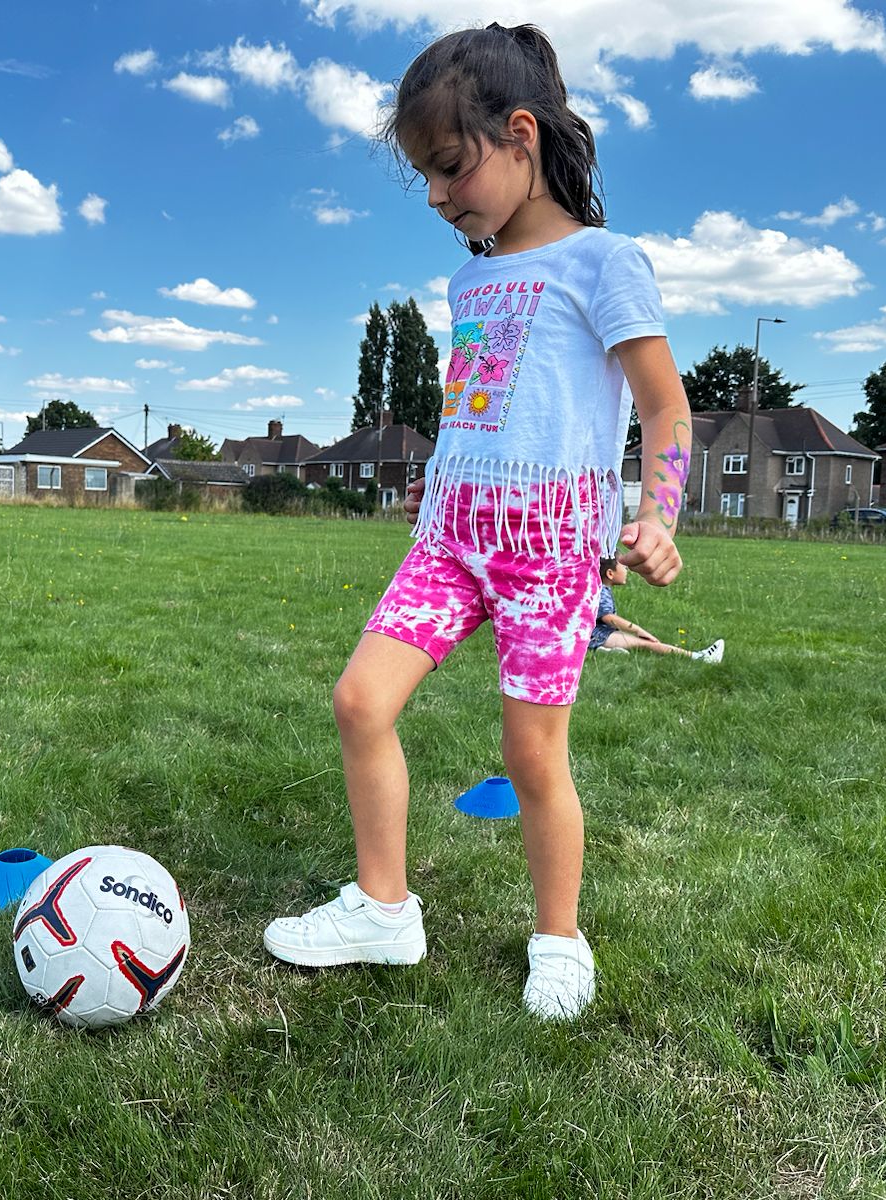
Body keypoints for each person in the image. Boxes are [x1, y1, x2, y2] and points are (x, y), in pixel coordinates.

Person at [262, 23, 692, 1020]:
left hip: (548, 554)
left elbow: (666, 407)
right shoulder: (469, 279)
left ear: (521, 136)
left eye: (449, 166)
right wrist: (444, 477)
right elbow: (486, 403)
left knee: (532, 758)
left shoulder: (605, 263)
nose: (436, 194)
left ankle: (558, 936)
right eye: (424, 174)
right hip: (451, 540)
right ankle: (382, 908)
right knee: (360, 702)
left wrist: (657, 514)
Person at [590, 558, 723, 662]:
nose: (627, 570)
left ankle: (604, 650)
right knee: (648, 644)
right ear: (610, 573)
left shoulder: (600, 589)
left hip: (599, 634)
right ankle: (700, 657)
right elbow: (609, 618)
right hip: (597, 635)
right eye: (624, 567)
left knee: (638, 643)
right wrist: (639, 631)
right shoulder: (601, 590)